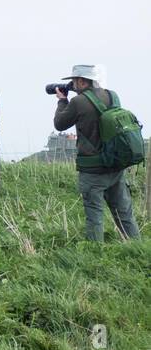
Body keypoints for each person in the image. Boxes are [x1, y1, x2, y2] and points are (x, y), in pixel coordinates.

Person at [52, 65, 141, 241]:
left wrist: (62, 100)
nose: (73, 85)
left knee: (95, 217)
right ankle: (136, 248)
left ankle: (96, 252)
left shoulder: (78, 102)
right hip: (114, 165)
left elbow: (59, 124)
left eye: (74, 81)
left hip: (92, 170)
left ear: (82, 81)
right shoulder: (112, 96)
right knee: (124, 214)